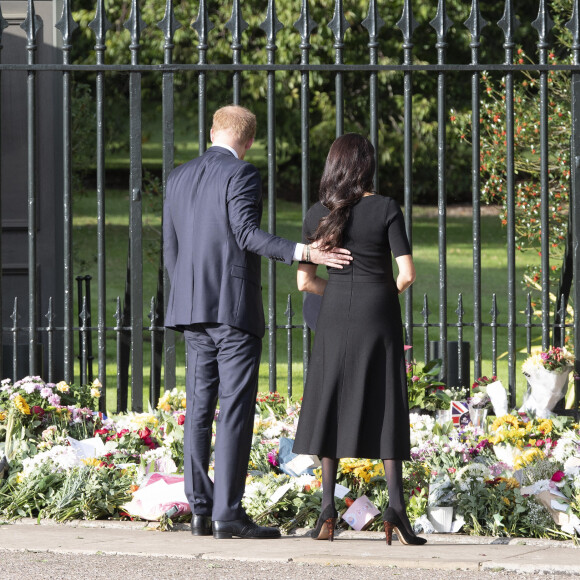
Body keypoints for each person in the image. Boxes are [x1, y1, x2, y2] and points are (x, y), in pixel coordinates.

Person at [163, 105, 352, 540]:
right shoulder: (241, 174)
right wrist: (306, 252)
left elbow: (171, 250)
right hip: (232, 309)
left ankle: (201, 509)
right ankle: (228, 513)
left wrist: (187, 293)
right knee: (234, 409)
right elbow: (245, 233)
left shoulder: (178, 176)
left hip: (191, 309)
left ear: (211, 131)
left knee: (198, 408)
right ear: (248, 142)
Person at [292, 133, 425, 546]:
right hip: (378, 313)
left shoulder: (318, 212)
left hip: (334, 316)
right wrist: (377, 294)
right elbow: (406, 274)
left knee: (330, 398)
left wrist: (342, 295)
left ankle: (327, 513)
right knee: (386, 400)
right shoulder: (385, 207)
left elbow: (305, 281)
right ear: (367, 166)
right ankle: (396, 511)